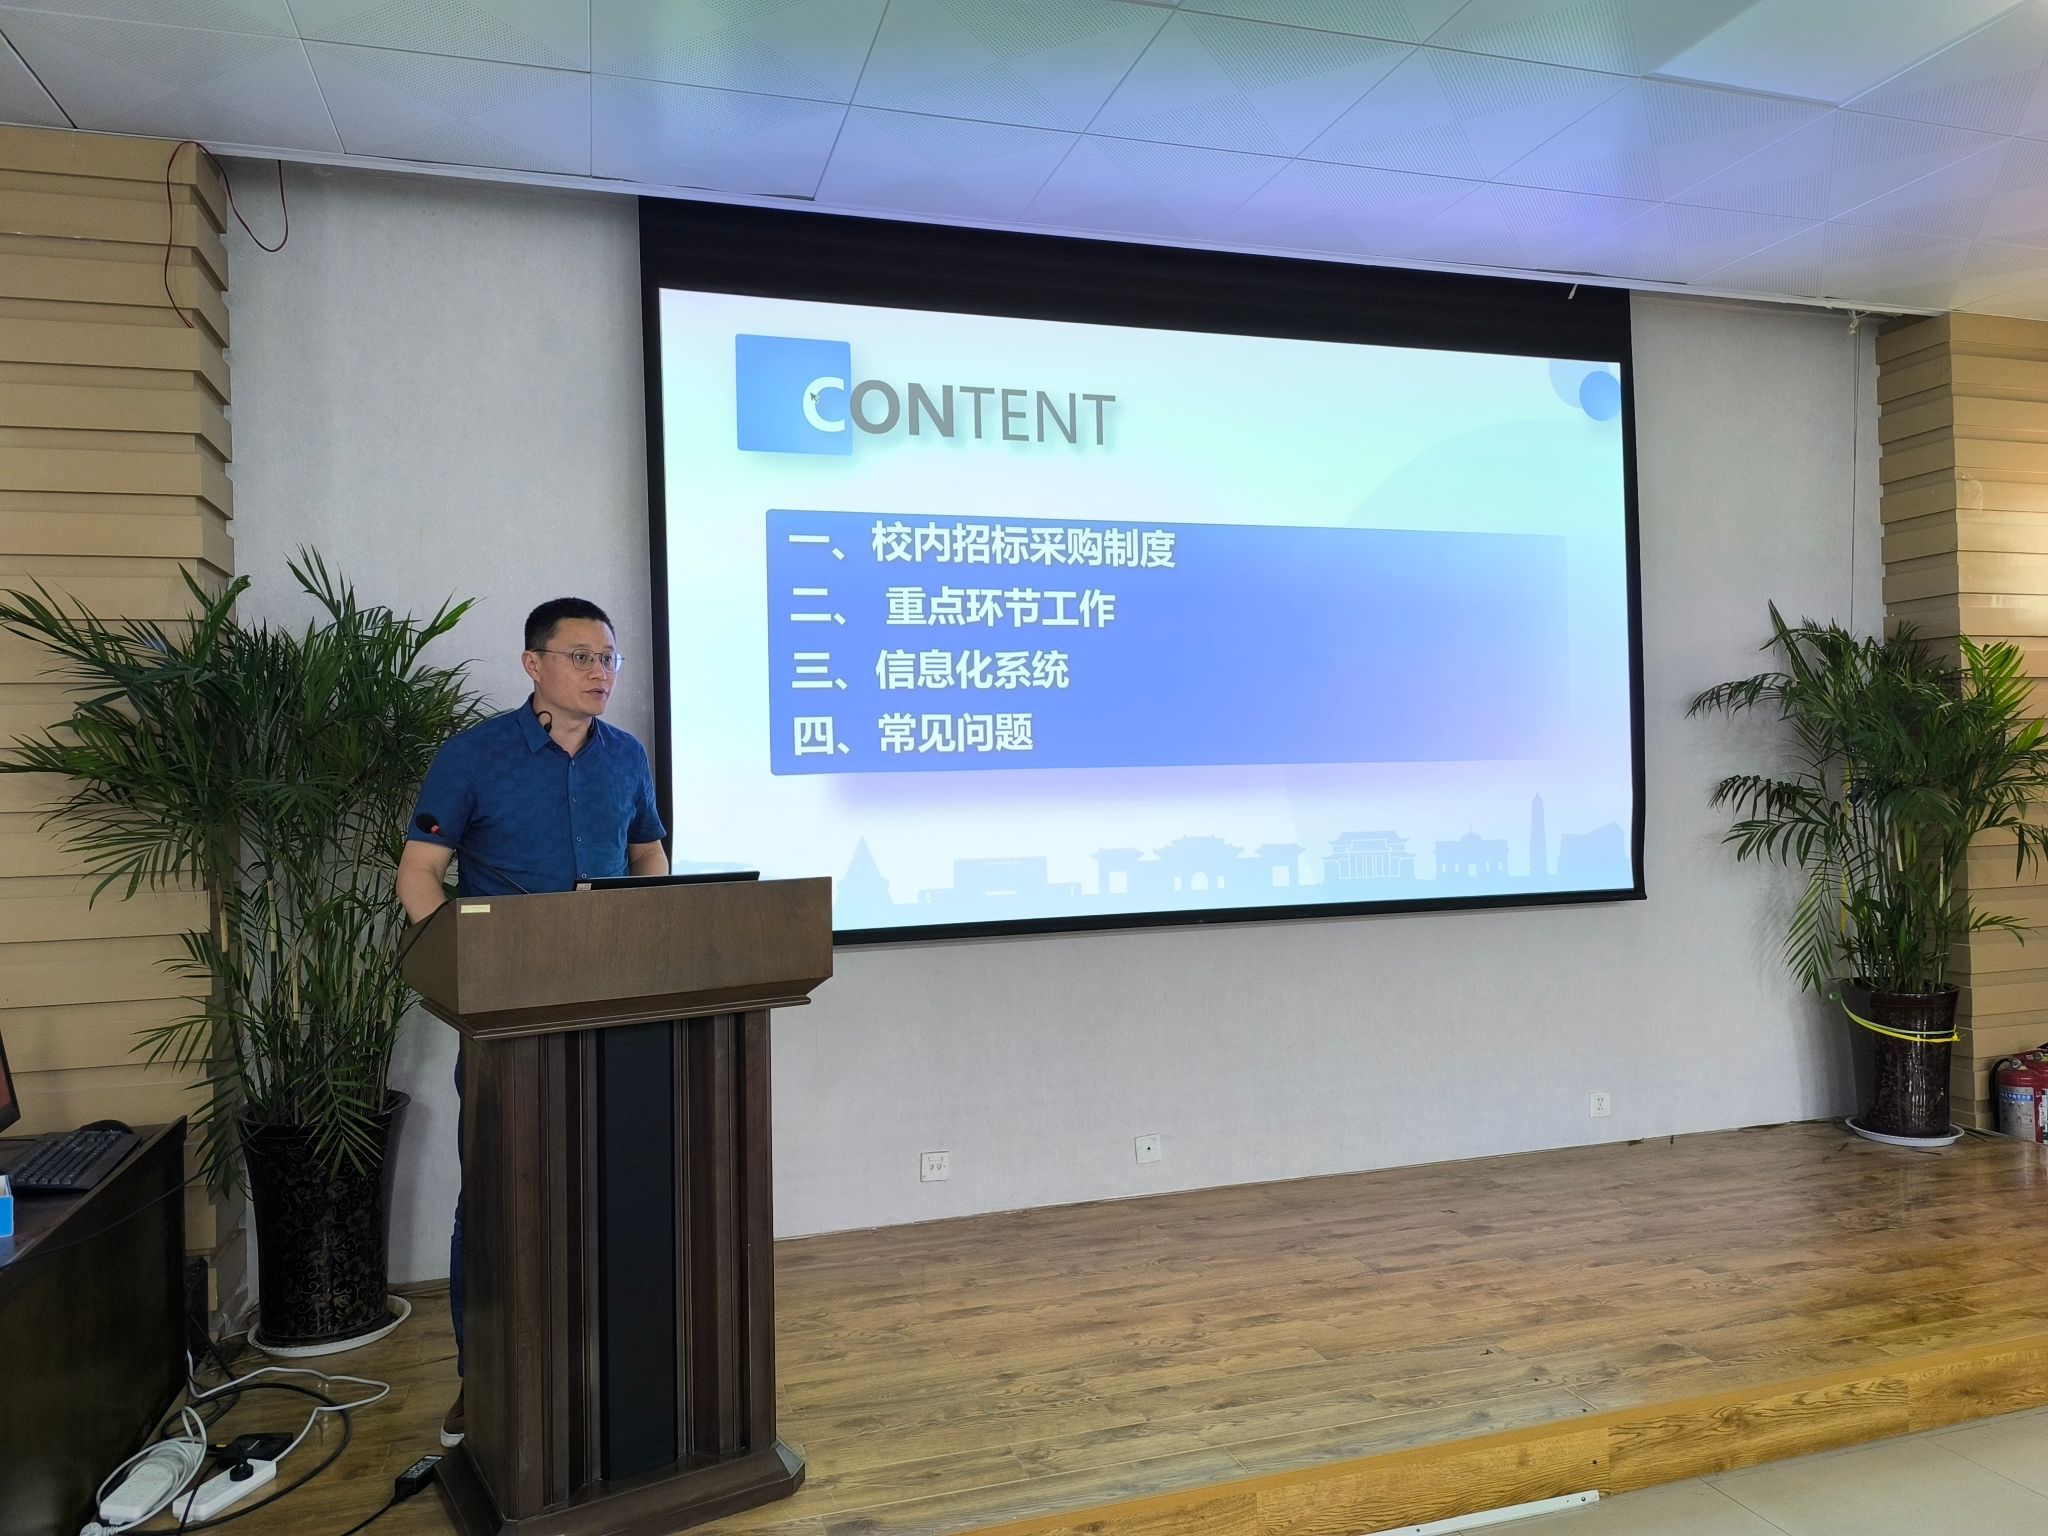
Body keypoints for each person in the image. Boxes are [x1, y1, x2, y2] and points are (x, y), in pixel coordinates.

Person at [397, 597, 667, 1448]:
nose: (600, 672)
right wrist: (464, 971)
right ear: (534, 664)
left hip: (614, 1008)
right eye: (582, 656)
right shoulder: (474, 756)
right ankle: (482, 1380)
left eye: (609, 658)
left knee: (613, 1191)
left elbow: (647, 854)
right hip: (506, 1018)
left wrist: (658, 934)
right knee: (496, 1198)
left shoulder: (626, 757)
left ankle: (604, 1368)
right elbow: (419, 872)